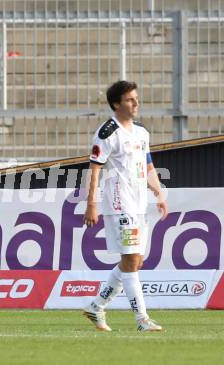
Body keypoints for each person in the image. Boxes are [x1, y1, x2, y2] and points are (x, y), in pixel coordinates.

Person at [82, 80, 168, 332]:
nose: (136, 103)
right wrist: (91, 204)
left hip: (140, 203)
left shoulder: (142, 132)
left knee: (136, 261)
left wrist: (159, 194)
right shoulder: (108, 132)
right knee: (131, 260)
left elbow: (148, 166)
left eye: (136, 98)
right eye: (130, 99)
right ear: (117, 104)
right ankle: (142, 320)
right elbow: (95, 169)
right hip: (120, 204)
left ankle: (96, 306)